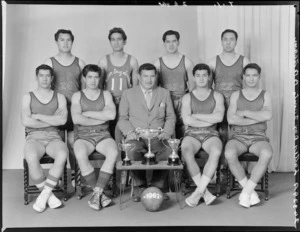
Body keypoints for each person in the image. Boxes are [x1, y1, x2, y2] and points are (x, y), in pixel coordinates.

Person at [118, 63, 176, 202]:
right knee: (131, 151)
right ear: (139, 77)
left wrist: (167, 132)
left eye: (152, 76)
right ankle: (141, 188)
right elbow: (122, 118)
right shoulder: (128, 93)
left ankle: (158, 188)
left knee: (168, 152)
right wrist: (130, 132)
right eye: (145, 76)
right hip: (136, 137)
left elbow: (171, 117)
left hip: (158, 136)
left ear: (156, 77)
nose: (149, 80)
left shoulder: (164, 93)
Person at [21, 64, 68, 212]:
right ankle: (49, 195)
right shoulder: (28, 97)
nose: (45, 79)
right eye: (41, 75)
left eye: (48, 75)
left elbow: (62, 121)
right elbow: (26, 121)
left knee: (62, 153)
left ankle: (44, 194)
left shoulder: (60, 97)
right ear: (36, 77)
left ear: (52, 78)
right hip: (34, 138)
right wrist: (51, 118)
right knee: (31, 155)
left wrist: (38, 116)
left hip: (54, 137)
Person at [225, 63, 273, 208]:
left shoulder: (265, 94)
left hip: (258, 136)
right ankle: (250, 192)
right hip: (238, 136)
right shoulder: (236, 95)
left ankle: (245, 193)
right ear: (244, 77)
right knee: (229, 153)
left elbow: (268, 115)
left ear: (259, 77)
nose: (251, 79)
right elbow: (231, 119)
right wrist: (258, 117)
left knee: (267, 153)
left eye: (254, 75)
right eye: (248, 75)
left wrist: (244, 113)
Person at [71, 64, 118, 211]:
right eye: (89, 77)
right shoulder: (77, 95)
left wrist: (86, 113)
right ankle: (99, 193)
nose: (93, 80)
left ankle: (97, 193)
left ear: (100, 78)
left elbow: (111, 115)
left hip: (103, 134)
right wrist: (100, 118)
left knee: (114, 152)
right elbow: (76, 119)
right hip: (83, 136)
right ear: (84, 78)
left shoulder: (106, 94)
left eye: (96, 77)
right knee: (79, 153)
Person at [44, 29, 86, 186]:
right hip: (57, 110)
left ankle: (75, 175)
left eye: (68, 40)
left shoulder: (79, 62)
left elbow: (84, 89)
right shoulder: (50, 63)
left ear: (72, 42)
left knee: (73, 143)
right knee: (59, 143)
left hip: (74, 110)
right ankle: (59, 175)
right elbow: (45, 86)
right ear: (57, 42)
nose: (65, 43)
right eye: (62, 40)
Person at [181, 64, 225, 207]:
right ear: (193, 77)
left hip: (211, 133)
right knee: (186, 150)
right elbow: (187, 120)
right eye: (198, 75)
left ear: (209, 77)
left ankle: (198, 192)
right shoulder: (187, 97)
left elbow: (219, 118)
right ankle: (204, 192)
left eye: (204, 75)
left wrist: (196, 116)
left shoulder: (217, 96)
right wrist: (208, 118)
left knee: (216, 150)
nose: (201, 78)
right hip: (191, 134)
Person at [97, 27, 139, 154]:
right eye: (113, 40)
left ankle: (125, 164)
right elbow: (98, 87)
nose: (116, 42)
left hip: (126, 103)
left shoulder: (132, 60)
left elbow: (135, 87)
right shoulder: (104, 61)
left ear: (124, 41)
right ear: (110, 42)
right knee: (109, 135)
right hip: (109, 103)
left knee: (126, 134)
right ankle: (113, 166)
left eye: (119, 39)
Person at [207, 29, 250, 143]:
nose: (228, 42)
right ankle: (221, 160)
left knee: (238, 137)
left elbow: (249, 87)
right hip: (219, 105)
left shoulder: (244, 61)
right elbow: (207, 88)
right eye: (225, 39)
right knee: (220, 137)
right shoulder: (212, 62)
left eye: (231, 39)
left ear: (236, 42)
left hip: (237, 105)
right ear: (221, 41)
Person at [154, 30, 195, 139]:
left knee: (185, 131)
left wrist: (189, 103)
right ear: (164, 43)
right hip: (165, 102)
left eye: (174, 41)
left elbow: (192, 86)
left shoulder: (187, 62)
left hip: (182, 100)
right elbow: (154, 88)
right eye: (168, 42)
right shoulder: (158, 63)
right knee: (168, 132)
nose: (171, 45)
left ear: (178, 42)